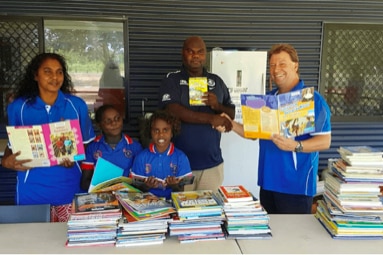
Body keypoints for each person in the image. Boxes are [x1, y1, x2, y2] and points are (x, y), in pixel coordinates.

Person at [222, 43, 331, 214]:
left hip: (296, 186)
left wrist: (295, 146)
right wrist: (231, 124)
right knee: (271, 237)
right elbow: (252, 133)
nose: (276, 69)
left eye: (282, 64)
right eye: (272, 65)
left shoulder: (312, 100)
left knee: (292, 238)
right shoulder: (268, 99)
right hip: (268, 184)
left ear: (295, 65)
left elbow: (325, 141)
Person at [2, 52, 96, 222]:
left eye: (59, 72)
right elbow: (13, 145)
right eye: (47, 71)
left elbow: (87, 144)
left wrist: (74, 156)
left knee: (69, 242)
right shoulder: (18, 108)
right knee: (33, 244)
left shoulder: (77, 106)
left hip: (68, 189)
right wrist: (6, 160)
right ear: (35, 75)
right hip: (31, 192)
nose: (55, 77)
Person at [158, 36, 235, 192]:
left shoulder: (216, 81)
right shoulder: (172, 80)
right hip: (179, 165)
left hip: (211, 165)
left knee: (209, 214)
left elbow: (231, 114)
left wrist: (217, 105)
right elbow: (173, 110)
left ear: (205, 55)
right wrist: (211, 118)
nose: (195, 56)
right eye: (190, 51)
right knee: (181, 212)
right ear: (182, 53)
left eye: (200, 52)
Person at [130, 110, 192, 199]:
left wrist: (174, 185)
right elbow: (136, 188)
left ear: (172, 133)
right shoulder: (141, 157)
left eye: (165, 130)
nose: (161, 134)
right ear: (150, 132)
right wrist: (147, 186)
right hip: (148, 204)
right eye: (156, 130)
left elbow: (181, 190)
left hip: (172, 203)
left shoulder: (181, 157)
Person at [80, 104, 143, 191]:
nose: (114, 123)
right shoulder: (93, 147)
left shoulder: (135, 147)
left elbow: (141, 181)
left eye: (117, 118)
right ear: (99, 125)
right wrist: (107, 188)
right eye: (108, 121)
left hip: (128, 197)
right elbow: (84, 183)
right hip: (102, 197)